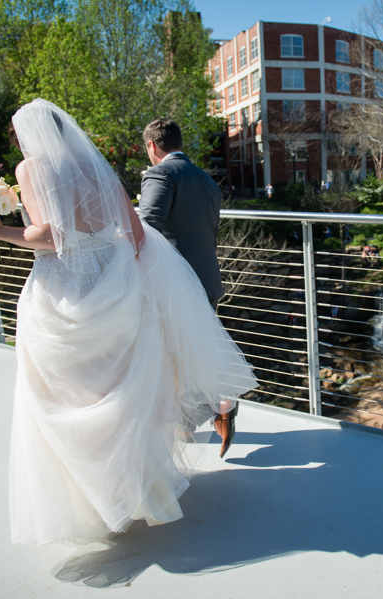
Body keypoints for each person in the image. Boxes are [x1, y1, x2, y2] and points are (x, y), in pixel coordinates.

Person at [0, 99, 257, 545]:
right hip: (115, 279)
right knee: (122, 390)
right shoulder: (94, 166)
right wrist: (126, 277)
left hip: (65, 286)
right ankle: (143, 493)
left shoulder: (31, 169)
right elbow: (138, 234)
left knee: (67, 392)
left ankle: (97, 501)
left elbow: (50, 236)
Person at [141, 117, 241, 456]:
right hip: (208, 280)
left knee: (171, 357)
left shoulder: (160, 174)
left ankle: (216, 405)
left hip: (174, 286)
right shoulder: (206, 180)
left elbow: (146, 229)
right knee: (192, 354)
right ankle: (204, 413)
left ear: (152, 146)